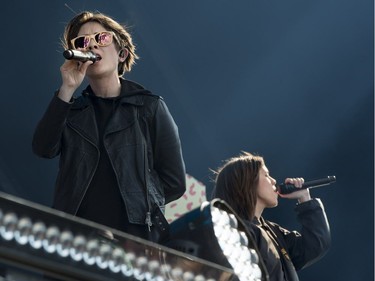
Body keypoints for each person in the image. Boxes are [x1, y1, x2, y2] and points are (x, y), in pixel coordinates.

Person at [32, 11, 186, 242]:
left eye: (101, 38)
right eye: (83, 42)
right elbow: (43, 148)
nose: (92, 45)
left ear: (122, 53)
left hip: (133, 240)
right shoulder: (70, 110)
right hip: (75, 238)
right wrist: (67, 89)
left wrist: (140, 204)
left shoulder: (148, 107)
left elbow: (174, 182)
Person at [211, 152, 331, 281]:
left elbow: (314, 246)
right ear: (248, 182)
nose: (274, 181)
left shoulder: (272, 231)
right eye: (266, 175)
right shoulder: (234, 233)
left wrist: (305, 198)